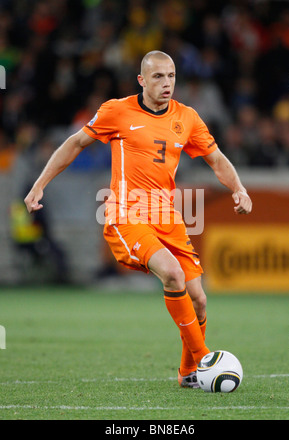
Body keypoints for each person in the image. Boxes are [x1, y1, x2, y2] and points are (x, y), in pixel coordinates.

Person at [24, 51, 252, 388]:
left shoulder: (187, 117)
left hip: (167, 216)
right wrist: (39, 185)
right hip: (125, 214)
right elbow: (74, 144)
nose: (167, 83)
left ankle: (188, 372)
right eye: (158, 77)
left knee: (199, 299)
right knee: (172, 274)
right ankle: (206, 358)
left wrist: (239, 189)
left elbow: (216, 160)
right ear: (142, 81)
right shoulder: (116, 111)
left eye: (171, 76)